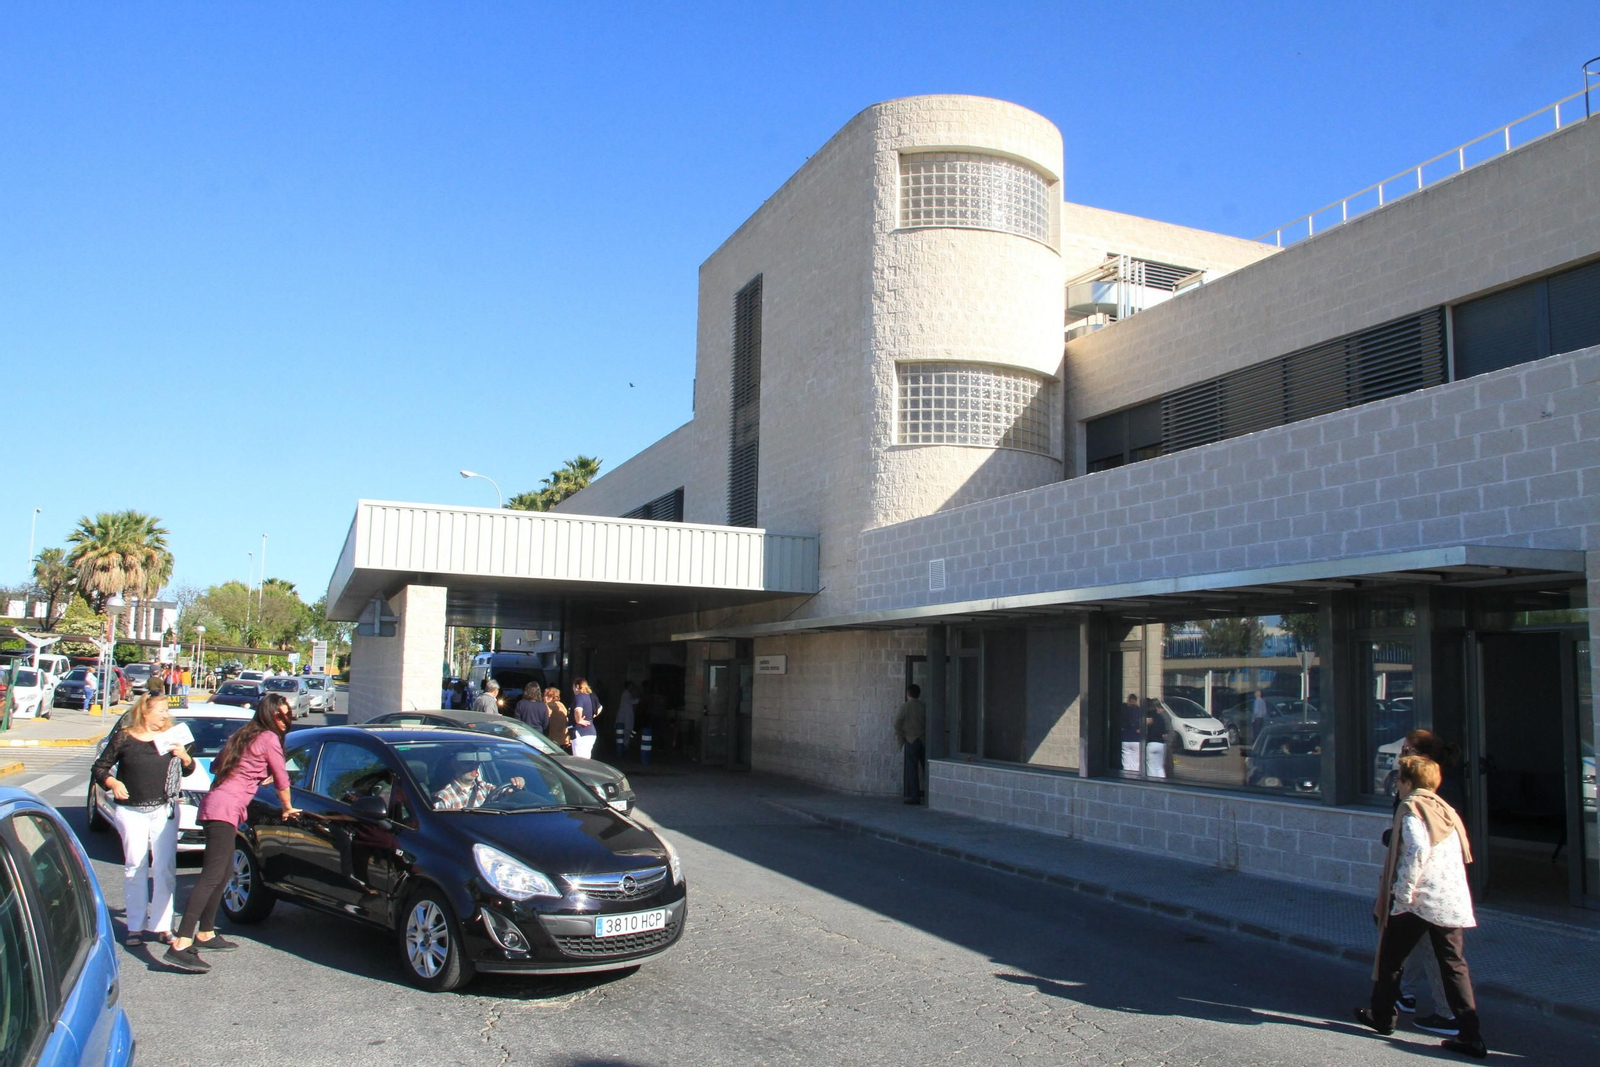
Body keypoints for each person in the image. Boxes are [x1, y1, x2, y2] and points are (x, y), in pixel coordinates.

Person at [1355, 755, 1487, 1059]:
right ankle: (1471, 1034)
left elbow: (1415, 851)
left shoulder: (1413, 808)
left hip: (1419, 900)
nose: (1397, 786)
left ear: (1407, 782)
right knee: (1453, 966)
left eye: (1399, 780)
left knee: (1390, 959)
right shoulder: (1446, 810)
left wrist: (1402, 894)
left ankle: (1382, 1017)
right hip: (1450, 900)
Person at [164, 693, 299, 973]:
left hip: (217, 804)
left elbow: (217, 766)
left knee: (225, 872)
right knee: (212, 875)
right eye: (281, 715)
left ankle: (206, 932)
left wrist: (253, 773)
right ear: (270, 714)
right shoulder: (269, 739)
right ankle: (181, 942)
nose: (286, 720)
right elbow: (283, 779)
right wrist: (287, 807)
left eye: (288, 715)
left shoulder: (243, 735)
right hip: (224, 810)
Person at [90, 693, 193, 946]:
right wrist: (113, 782)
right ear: (145, 712)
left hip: (163, 810)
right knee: (135, 865)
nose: (165, 716)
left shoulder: (172, 737)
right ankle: (135, 925)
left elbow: (188, 770)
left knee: (164, 868)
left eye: (166, 711)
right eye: (160, 711)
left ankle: (163, 925)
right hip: (132, 810)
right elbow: (99, 768)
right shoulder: (125, 737)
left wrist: (184, 756)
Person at [431, 751, 526, 810]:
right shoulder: (444, 797)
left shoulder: (483, 787)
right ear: (454, 765)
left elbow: (504, 792)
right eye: (468, 763)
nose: (474, 767)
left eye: (477, 764)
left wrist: (517, 783)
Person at [892, 684, 926, 804]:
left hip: (911, 740)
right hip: (924, 739)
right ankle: (929, 795)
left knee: (912, 769)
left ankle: (914, 796)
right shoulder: (924, 706)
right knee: (926, 768)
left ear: (908, 694)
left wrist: (902, 735)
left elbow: (896, 723)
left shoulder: (904, 707)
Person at [569, 678, 599, 759]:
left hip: (581, 732)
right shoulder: (590, 696)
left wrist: (579, 720)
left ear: (577, 686)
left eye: (573, 686)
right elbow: (600, 708)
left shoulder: (579, 696)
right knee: (586, 759)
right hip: (590, 732)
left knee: (579, 761)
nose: (572, 689)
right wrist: (592, 716)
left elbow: (578, 709)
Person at [1143, 698, 1169, 779]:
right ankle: (1162, 783)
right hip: (1161, 744)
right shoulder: (1161, 717)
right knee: (1160, 767)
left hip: (1151, 743)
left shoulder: (1148, 717)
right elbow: (1164, 732)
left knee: (1151, 767)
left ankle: (1152, 784)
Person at [614, 682, 639, 756]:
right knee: (626, 730)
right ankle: (624, 745)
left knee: (627, 730)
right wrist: (638, 700)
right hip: (625, 716)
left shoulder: (627, 694)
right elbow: (630, 702)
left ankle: (625, 744)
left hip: (627, 715)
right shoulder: (625, 694)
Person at [544, 687, 570, 752]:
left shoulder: (548, 706)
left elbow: (546, 719)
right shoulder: (561, 705)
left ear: (550, 696)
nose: (543, 697)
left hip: (553, 738)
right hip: (563, 738)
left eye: (545, 695)